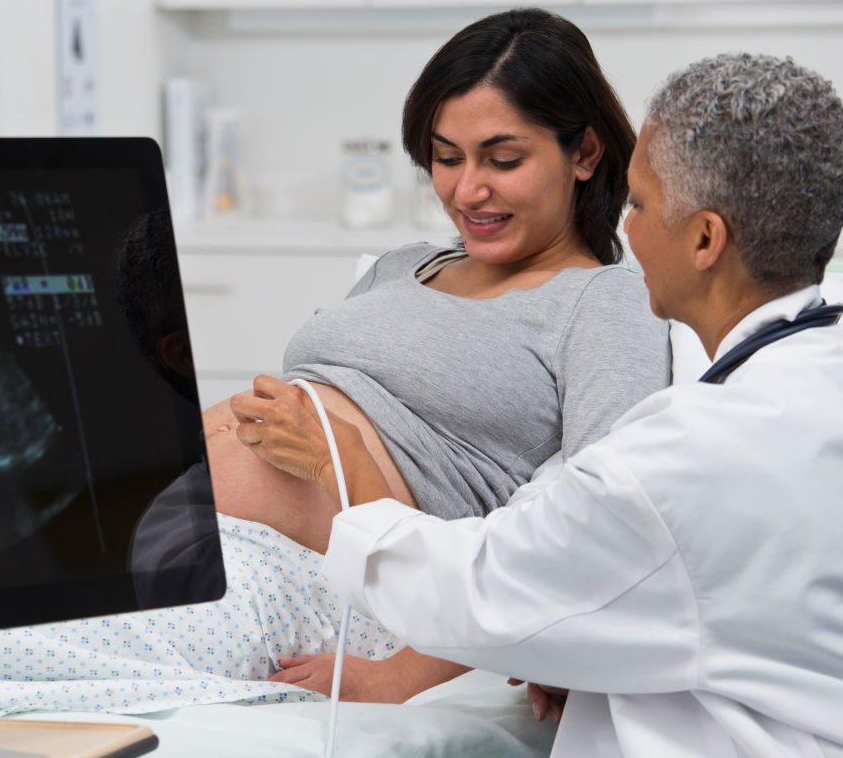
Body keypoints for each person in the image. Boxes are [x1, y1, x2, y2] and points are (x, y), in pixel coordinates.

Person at [232, 52, 843, 756]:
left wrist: (338, 461)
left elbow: (483, 594)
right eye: (446, 157)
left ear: (705, 239)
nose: (627, 232)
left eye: (639, 205)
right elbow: (559, 561)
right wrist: (561, 645)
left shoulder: (687, 458)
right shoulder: (795, 387)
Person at [136, 7, 669, 695]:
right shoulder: (402, 265)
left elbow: (605, 532)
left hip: (311, 580)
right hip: (175, 527)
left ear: (585, 154)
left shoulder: (604, 300)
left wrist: (405, 674)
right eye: (446, 158)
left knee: (10, 655)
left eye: (503, 160)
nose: (466, 190)